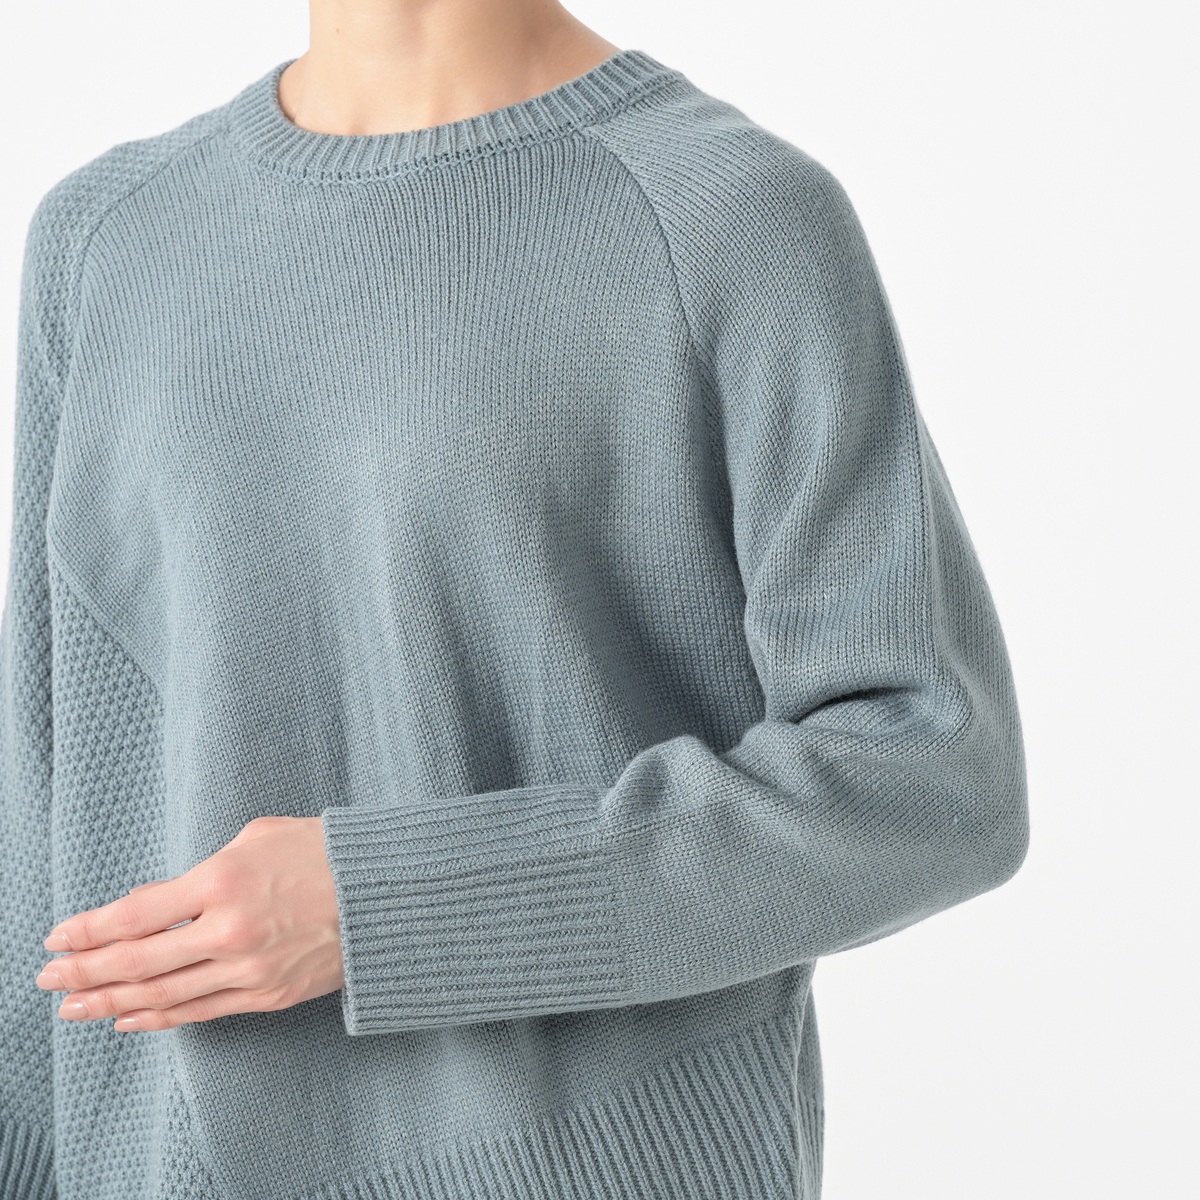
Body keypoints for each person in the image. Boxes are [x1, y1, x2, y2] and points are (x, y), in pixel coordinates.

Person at [0, 1, 1030, 1197]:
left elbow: (933, 780)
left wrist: (393, 908)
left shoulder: (731, 216)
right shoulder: (107, 240)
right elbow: (45, 814)